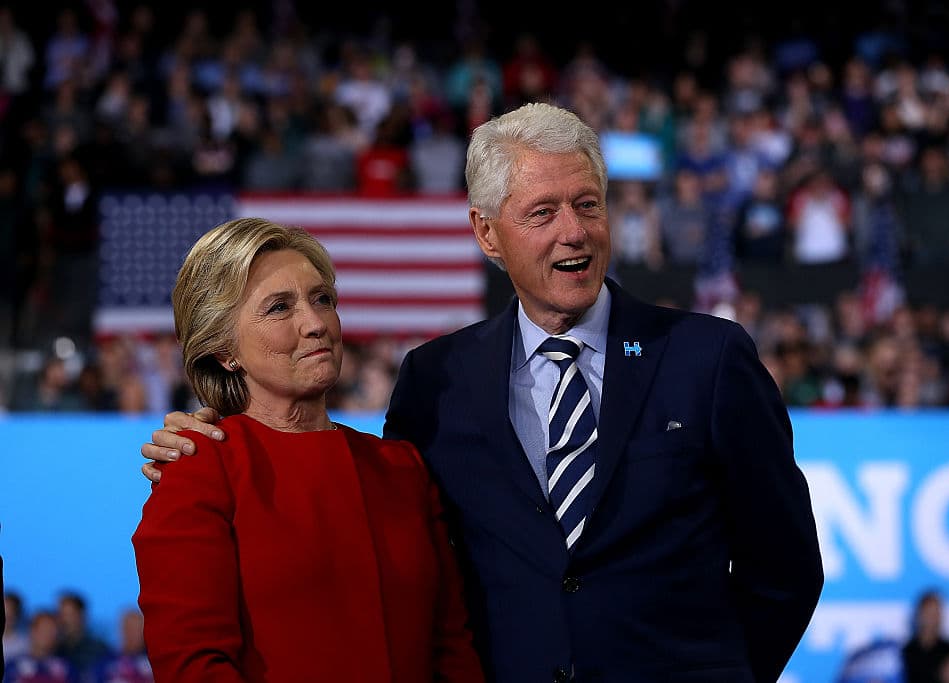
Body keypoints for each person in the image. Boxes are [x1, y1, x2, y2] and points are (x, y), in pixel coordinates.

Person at [142, 103, 824, 682]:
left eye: (588, 204)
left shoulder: (706, 357)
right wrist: (216, 433)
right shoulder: (437, 381)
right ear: (486, 233)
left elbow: (785, 567)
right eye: (543, 211)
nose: (574, 231)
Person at [131, 218, 483, 682]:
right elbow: (193, 666)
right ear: (223, 350)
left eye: (323, 299)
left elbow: (452, 649)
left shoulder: (401, 468)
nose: (316, 323)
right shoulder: (199, 467)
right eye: (279, 308)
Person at [902, 589, 949, 683]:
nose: (932, 619)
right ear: (918, 615)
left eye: (936, 613)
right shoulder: (904, 653)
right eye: (928, 613)